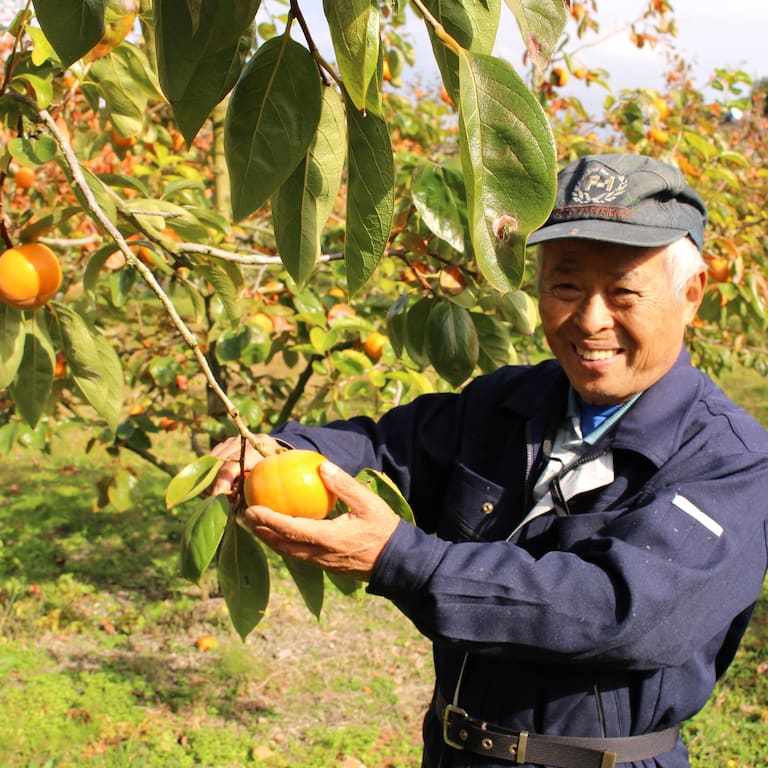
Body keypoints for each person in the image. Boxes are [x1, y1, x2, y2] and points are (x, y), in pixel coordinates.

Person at [211, 153, 768, 768]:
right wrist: (283, 452)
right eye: (565, 286)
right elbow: (383, 445)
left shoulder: (730, 463)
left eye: (624, 292)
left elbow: (615, 611)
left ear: (691, 295)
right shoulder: (509, 402)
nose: (590, 320)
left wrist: (402, 560)